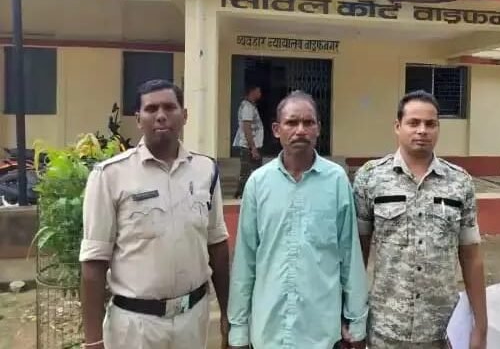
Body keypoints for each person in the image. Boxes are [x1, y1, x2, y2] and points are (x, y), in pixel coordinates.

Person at [79, 79, 230, 349]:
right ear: (139, 119)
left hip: (193, 320)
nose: (161, 115)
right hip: (135, 327)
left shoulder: (206, 171)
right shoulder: (110, 176)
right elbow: (93, 263)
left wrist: (228, 315)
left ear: (184, 115)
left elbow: (217, 245)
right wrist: (93, 341)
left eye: (170, 107)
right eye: (151, 109)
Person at [228, 90, 368, 349]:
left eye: (308, 122)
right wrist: (238, 328)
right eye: (292, 122)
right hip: (269, 332)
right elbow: (245, 260)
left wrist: (356, 321)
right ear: (276, 130)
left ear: (318, 129)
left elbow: (349, 255)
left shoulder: (336, 180)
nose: (300, 130)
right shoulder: (258, 183)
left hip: (321, 332)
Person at [353, 90, 488, 349]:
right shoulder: (370, 178)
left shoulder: (460, 182)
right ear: (397, 126)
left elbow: (471, 257)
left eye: (430, 124)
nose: (422, 130)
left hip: (443, 331)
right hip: (385, 329)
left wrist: (480, 327)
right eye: (413, 123)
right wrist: (353, 319)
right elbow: (357, 255)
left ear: (438, 128)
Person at [232, 84, 264, 198]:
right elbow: (247, 128)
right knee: (247, 172)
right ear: (253, 91)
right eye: (258, 91)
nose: (260, 94)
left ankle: (248, 194)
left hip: (251, 145)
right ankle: (241, 194)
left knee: (254, 172)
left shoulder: (250, 106)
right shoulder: (247, 107)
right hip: (248, 146)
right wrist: (253, 148)